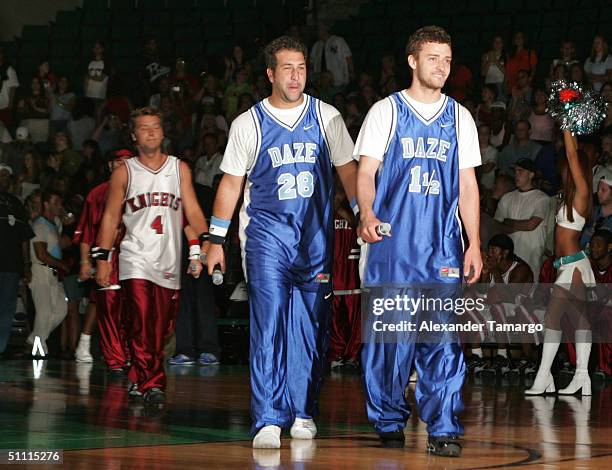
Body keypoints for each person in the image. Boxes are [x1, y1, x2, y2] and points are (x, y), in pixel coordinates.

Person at [205, 36, 357, 449]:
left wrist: (366, 215)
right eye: (287, 68)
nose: (296, 75)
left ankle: (303, 410)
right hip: (266, 240)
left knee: (310, 329)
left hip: (314, 243)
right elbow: (231, 183)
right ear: (270, 74)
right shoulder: (248, 124)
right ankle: (269, 417)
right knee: (268, 326)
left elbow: (348, 171)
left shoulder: (327, 118)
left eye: (302, 67)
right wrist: (215, 239)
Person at [354, 26, 482, 457]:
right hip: (393, 246)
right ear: (412, 61)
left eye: (447, 59)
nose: (442, 67)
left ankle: (443, 425)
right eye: (433, 58)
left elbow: (467, 185)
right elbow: (366, 173)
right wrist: (367, 213)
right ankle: (388, 417)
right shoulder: (386, 112)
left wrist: (474, 242)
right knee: (391, 342)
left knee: (443, 341)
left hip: (442, 247)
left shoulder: (459, 117)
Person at [95, 107, 209, 406]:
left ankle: (137, 376)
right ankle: (153, 385)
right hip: (135, 259)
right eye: (144, 128)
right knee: (142, 321)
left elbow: (193, 210)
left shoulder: (178, 168)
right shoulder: (125, 171)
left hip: (169, 259)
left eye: (155, 127)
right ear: (134, 136)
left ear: (163, 132)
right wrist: (103, 258)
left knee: (161, 329)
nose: (150, 132)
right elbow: (110, 217)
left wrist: (208, 240)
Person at [526, 130, 594, 396]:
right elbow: (572, 153)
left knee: (553, 320)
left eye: (567, 167)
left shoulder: (582, 193)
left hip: (574, 266)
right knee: (579, 321)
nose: (563, 169)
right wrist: (572, 130)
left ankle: (544, 377)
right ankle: (581, 378)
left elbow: (571, 153)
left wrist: (566, 123)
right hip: (568, 265)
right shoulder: (570, 196)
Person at [73, 149, 134, 371]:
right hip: (105, 259)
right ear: (111, 165)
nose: (123, 167)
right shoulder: (97, 194)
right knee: (108, 309)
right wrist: (85, 262)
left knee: (133, 309)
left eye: (128, 163)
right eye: (120, 162)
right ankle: (115, 359)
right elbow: (86, 231)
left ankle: (130, 354)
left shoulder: (140, 190)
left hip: (135, 258)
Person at [28, 190, 70, 356]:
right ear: (46, 204)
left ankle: (36, 337)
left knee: (61, 309)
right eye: (56, 203)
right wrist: (63, 265)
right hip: (41, 271)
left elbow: (65, 243)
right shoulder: (39, 225)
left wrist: (71, 225)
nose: (59, 206)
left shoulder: (54, 224)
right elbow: (41, 254)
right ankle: (38, 350)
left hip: (53, 273)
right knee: (44, 312)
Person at [494, 158, 549, 279]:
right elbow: (497, 226)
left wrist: (508, 222)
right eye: (515, 171)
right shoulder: (507, 198)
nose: (516, 174)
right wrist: (518, 225)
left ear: (531, 174)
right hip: (508, 259)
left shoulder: (542, 198)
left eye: (520, 171)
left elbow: (531, 225)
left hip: (530, 256)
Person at [0, 163, 34, 356]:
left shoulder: (16, 203)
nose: (3, 179)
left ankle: (0, 347)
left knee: (7, 308)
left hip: (12, 265)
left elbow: (24, 237)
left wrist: (27, 265)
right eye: (1, 176)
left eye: (6, 176)